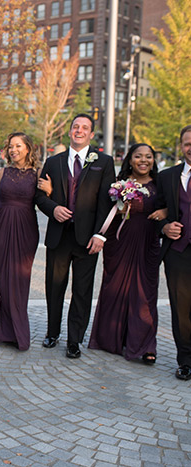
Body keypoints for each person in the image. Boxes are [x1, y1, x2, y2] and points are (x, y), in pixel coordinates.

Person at [35, 114, 115, 359]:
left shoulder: (104, 161)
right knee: (54, 287)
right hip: (59, 237)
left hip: (87, 238)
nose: (79, 131)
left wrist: (100, 235)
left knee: (82, 290)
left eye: (85, 128)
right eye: (75, 127)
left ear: (91, 134)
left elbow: (107, 202)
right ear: (70, 131)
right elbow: (39, 197)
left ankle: (74, 340)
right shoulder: (54, 161)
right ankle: (52, 332)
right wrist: (53, 208)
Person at [89, 143, 162, 363]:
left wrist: (165, 211)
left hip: (147, 243)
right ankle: (110, 339)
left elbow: (173, 207)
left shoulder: (161, 184)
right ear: (130, 159)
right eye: (138, 156)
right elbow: (106, 211)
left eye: (148, 156)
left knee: (145, 294)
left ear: (153, 160)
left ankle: (145, 345)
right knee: (115, 289)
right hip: (119, 242)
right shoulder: (119, 185)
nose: (143, 160)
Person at [0, 133, 44, 350]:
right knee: (4, 280)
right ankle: (5, 331)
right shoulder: (1, 173)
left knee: (20, 279)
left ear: (28, 148)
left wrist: (51, 191)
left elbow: (45, 199)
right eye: (10, 146)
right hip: (2, 227)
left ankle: (19, 332)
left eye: (18, 146)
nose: (13, 149)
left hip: (26, 228)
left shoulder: (38, 173)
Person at [156, 125, 191, 381]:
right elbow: (155, 211)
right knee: (181, 309)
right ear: (181, 146)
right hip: (178, 252)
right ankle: (186, 361)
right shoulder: (168, 176)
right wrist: (164, 227)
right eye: (187, 143)